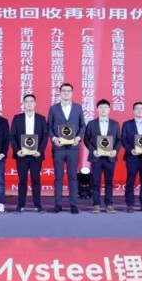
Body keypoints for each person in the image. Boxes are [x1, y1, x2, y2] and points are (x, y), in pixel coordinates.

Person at [47, 83, 86, 214]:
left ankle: (73, 205)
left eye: (69, 91)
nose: (66, 93)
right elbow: (49, 127)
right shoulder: (53, 109)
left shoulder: (78, 108)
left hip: (73, 148)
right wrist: (54, 139)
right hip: (59, 148)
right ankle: (58, 204)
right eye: (64, 90)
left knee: (73, 177)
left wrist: (78, 138)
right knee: (58, 177)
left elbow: (83, 125)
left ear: (72, 93)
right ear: (60, 93)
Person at [10, 94, 48, 213]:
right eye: (27, 101)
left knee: (36, 180)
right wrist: (17, 151)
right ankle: (20, 205)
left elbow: (45, 136)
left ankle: (38, 205)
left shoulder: (41, 118)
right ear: (24, 104)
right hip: (22, 155)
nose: (29, 103)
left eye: (31, 101)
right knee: (22, 181)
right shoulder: (17, 118)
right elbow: (12, 136)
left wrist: (40, 151)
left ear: (35, 103)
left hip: (36, 155)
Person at [83, 99, 120, 213]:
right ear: (97, 109)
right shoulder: (91, 123)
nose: (103, 109)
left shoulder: (115, 124)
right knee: (95, 181)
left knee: (109, 181)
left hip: (110, 158)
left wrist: (115, 150)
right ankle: (96, 204)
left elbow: (119, 140)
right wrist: (93, 150)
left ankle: (109, 204)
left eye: (105, 107)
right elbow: (86, 139)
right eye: (101, 107)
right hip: (96, 157)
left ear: (109, 109)